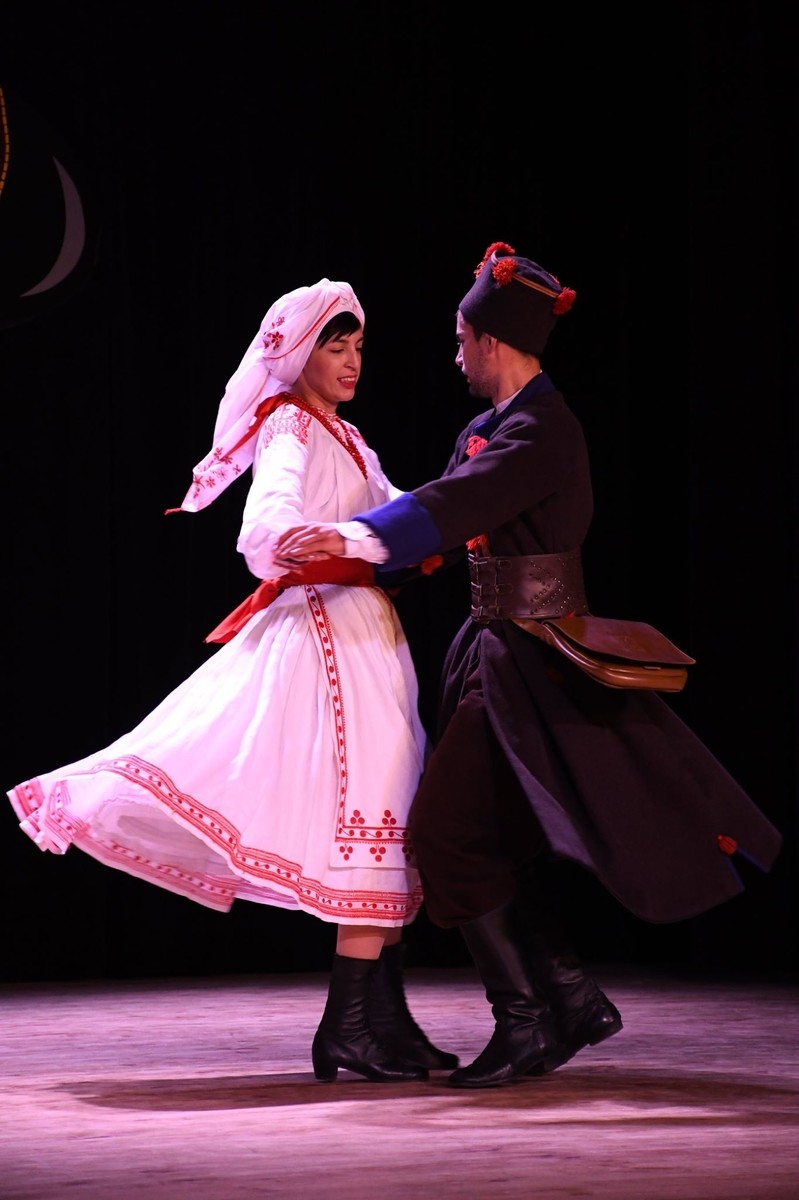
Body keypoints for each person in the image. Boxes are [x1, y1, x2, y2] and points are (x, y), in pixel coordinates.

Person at [273, 242, 784, 1089]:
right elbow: (441, 530)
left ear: (489, 340)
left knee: (445, 834)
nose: (454, 357)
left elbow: (457, 503)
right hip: (491, 651)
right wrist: (339, 566)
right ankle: (567, 1000)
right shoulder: (487, 430)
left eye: (459, 340)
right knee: (486, 838)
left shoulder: (543, 429)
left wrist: (358, 537)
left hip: (537, 655)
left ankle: (529, 1019)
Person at [7, 277, 458, 1084]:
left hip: (367, 635)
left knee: (388, 819)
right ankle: (350, 1027)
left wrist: (445, 518)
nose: (351, 361)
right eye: (335, 346)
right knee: (368, 813)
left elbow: (399, 511)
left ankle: (379, 1022)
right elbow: (264, 526)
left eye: (358, 347)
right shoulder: (288, 423)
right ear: (299, 352)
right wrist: (317, 541)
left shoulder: (350, 437)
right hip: (327, 633)